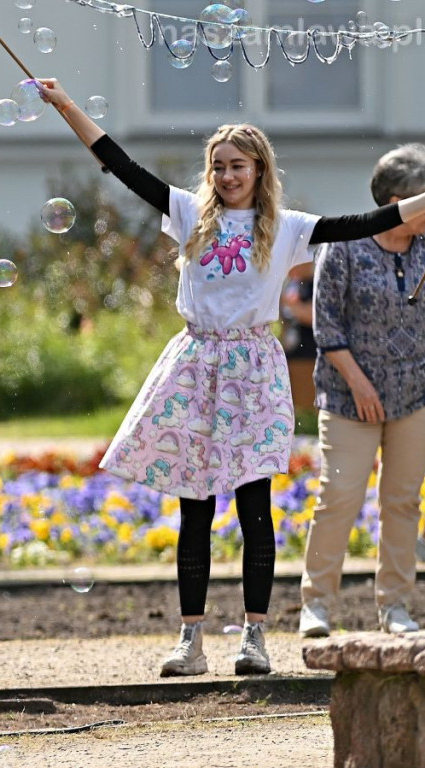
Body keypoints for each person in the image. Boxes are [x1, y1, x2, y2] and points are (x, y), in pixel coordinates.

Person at [36, 78, 425, 677]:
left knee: (253, 507)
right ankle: (190, 639)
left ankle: (255, 636)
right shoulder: (189, 213)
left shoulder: (288, 227)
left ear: (260, 170)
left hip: (252, 367)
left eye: (237, 166)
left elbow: (369, 219)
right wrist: (67, 107)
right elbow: (119, 164)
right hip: (196, 364)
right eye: (217, 167)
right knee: (195, 507)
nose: (226, 176)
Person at [299, 144, 425, 638]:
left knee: (402, 502)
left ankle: (395, 606)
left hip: (415, 395)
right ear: (398, 201)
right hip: (351, 397)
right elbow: (326, 327)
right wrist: (360, 385)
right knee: (339, 497)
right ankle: (318, 606)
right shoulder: (345, 243)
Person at [280, 261, 317, 413]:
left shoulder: (317, 281)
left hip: (312, 356)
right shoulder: (292, 283)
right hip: (290, 354)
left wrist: (286, 303)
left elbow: (316, 317)